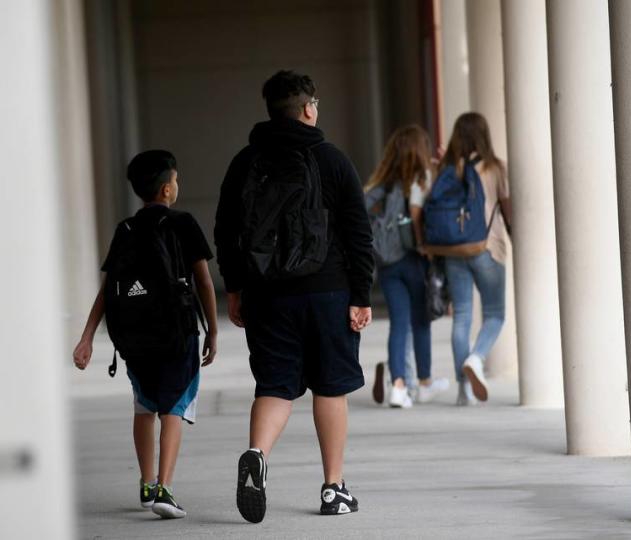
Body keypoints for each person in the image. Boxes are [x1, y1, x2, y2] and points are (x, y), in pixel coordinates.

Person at [214, 70, 374, 521]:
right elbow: (359, 233)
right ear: (308, 108)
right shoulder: (332, 160)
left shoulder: (245, 162)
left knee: (275, 386)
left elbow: (225, 231)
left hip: (266, 294)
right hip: (327, 291)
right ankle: (333, 488)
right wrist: (361, 294)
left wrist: (235, 288)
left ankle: (258, 455)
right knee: (330, 386)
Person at [72, 150, 219, 519]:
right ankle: (165, 491)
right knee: (174, 407)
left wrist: (87, 336)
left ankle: (147, 483)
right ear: (168, 188)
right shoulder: (183, 224)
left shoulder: (126, 229)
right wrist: (213, 330)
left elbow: (108, 289)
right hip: (177, 333)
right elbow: (203, 281)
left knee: (144, 407)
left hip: (135, 338)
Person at [364, 125, 450, 408]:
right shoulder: (423, 180)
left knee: (399, 323)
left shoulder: (385, 184)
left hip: (388, 262)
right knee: (420, 321)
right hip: (415, 259)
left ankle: (398, 386)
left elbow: (360, 206)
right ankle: (424, 382)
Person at [437, 112, 512, 405]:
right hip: (488, 247)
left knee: (463, 316)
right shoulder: (495, 168)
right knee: (495, 314)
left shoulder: (448, 168)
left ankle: (462, 390)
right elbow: (508, 210)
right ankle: (477, 359)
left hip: (455, 250)